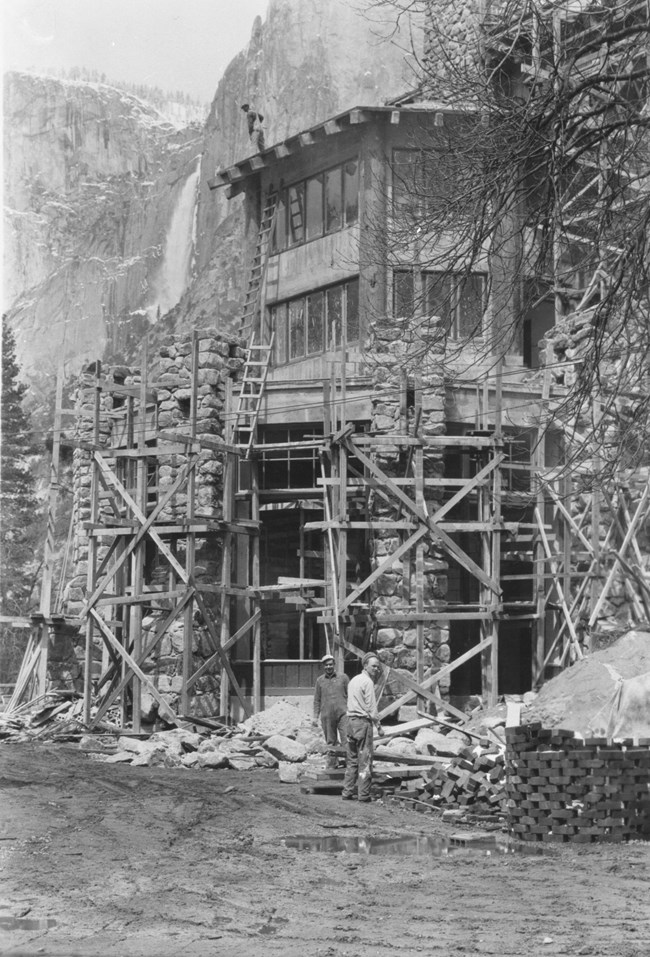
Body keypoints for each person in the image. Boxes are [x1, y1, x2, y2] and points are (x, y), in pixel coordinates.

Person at [341, 652, 385, 803]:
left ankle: (347, 791)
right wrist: (379, 726)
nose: (376, 669)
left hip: (350, 722)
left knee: (352, 759)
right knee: (365, 759)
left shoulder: (353, 680)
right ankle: (363, 794)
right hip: (362, 723)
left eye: (378, 667)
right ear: (365, 666)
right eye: (373, 666)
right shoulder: (367, 682)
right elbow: (372, 708)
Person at [313, 653, 349, 769]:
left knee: (347, 738)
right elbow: (317, 700)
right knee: (330, 741)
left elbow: (350, 695)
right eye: (326, 665)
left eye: (330, 664)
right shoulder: (320, 681)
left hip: (344, 714)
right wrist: (315, 716)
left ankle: (350, 764)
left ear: (334, 665)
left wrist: (352, 711)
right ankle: (333, 764)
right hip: (327, 715)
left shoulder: (343, 678)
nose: (328, 667)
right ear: (323, 666)